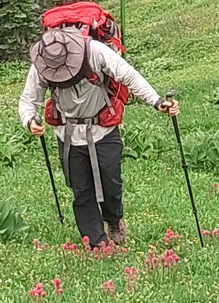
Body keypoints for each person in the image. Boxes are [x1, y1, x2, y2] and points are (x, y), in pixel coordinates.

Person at [19, 16, 179, 247]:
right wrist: (29, 120)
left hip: (103, 129)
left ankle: (114, 220)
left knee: (111, 184)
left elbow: (128, 75)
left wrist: (156, 102)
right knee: (81, 190)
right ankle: (97, 243)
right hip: (67, 133)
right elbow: (28, 99)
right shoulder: (43, 62)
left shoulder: (94, 50)